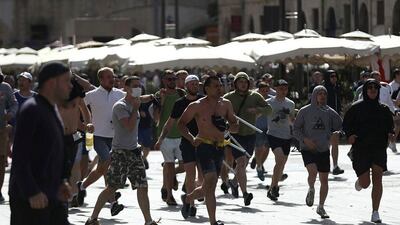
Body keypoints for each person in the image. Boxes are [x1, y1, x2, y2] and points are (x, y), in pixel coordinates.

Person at [85, 77, 159, 225]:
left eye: (140, 85)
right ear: (126, 88)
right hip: (120, 153)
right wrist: (136, 109)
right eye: (135, 86)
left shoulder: (134, 101)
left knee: (143, 186)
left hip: (134, 151)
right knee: (112, 187)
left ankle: (149, 221)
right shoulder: (120, 106)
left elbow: (142, 99)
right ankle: (92, 218)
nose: (138, 88)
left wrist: (154, 96)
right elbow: (129, 126)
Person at [9, 62, 73, 225]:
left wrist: (63, 180)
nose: (70, 86)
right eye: (66, 81)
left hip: (52, 196)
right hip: (31, 199)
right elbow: (19, 157)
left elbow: (58, 150)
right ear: (52, 83)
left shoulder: (52, 109)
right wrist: (32, 191)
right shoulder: (32, 109)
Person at [178, 76, 239, 225]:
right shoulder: (197, 105)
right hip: (204, 146)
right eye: (216, 86)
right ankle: (213, 222)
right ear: (207, 88)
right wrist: (192, 138)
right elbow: (181, 124)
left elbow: (235, 127)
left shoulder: (226, 104)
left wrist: (226, 126)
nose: (219, 88)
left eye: (220, 86)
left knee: (208, 186)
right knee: (211, 182)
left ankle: (187, 198)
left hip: (220, 147)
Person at [343, 79, 394, 223]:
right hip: (361, 148)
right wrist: (350, 135)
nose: (372, 90)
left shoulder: (384, 109)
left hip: (378, 148)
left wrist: (391, 134)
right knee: (366, 183)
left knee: (378, 177)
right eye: (370, 87)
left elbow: (390, 127)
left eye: (375, 88)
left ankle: (375, 212)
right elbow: (346, 124)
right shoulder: (356, 108)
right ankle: (361, 182)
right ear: (365, 90)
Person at [77, 67, 125, 206]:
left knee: (102, 168)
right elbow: (78, 106)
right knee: (108, 161)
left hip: (115, 136)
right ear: (101, 79)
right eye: (109, 76)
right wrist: (84, 124)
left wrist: (153, 97)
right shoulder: (92, 94)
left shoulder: (120, 94)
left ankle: (82, 187)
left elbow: (136, 100)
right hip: (95, 135)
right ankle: (112, 200)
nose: (113, 79)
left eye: (113, 76)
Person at [293, 85, 342, 219]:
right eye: (319, 93)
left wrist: (336, 133)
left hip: (324, 149)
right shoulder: (304, 111)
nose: (322, 96)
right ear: (314, 95)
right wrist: (305, 140)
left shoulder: (330, 112)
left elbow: (340, 126)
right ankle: (311, 188)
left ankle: (321, 207)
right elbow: (295, 130)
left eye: (324, 94)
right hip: (308, 148)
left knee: (324, 179)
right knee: (313, 172)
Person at [223, 72, 271, 205]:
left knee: (242, 165)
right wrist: (226, 122)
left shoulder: (255, 96)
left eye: (245, 82)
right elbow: (219, 112)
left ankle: (234, 182)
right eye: (240, 82)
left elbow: (269, 110)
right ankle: (245, 194)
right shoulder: (228, 97)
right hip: (235, 135)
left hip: (250, 134)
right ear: (235, 84)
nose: (243, 84)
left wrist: (257, 110)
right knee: (241, 163)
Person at [159, 74, 203, 218]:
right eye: (192, 84)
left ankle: (190, 197)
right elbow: (170, 123)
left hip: (204, 141)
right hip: (187, 141)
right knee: (190, 175)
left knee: (202, 177)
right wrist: (160, 139)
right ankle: (191, 204)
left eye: (197, 84)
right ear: (186, 85)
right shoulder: (180, 103)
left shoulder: (204, 101)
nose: (195, 86)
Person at [153, 70, 185, 205]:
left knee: (184, 166)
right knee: (170, 165)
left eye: (174, 79)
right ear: (164, 81)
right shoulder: (159, 95)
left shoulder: (182, 94)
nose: (172, 81)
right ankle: (169, 196)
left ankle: (168, 181)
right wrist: (162, 101)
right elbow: (156, 119)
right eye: (169, 79)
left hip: (182, 134)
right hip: (165, 135)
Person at [265, 79, 295, 201]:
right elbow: (259, 112)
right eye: (281, 88)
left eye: (285, 89)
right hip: (273, 134)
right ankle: (275, 187)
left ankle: (272, 187)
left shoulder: (290, 103)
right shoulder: (269, 102)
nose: (283, 91)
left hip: (286, 136)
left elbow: (292, 119)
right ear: (275, 89)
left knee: (281, 163)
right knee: (280, 159)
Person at [0, 70, 18, 202]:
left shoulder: (5, 87)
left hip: (1, 130)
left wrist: (10, 114)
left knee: (1, 161)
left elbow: (14, 103)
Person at [323, 70, 344, 175]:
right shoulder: (322, 89)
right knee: (325, 145)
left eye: (335, 76)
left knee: (335, 143)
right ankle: (323, 165)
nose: (334, 78)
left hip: (335, 119)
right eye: (332, 76)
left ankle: (335, 166)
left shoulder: (337, 88)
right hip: (324, 119)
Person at [251, 81, 272, 181]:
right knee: (259, 148)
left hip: (269, 127)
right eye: (262, 91)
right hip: (257, 127)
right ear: (258, 90)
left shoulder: (271, 99)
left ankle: (259, 163)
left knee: (267, 149)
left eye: (266, 90)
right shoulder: (254, 99)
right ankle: (259, 167)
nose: (265, 92)